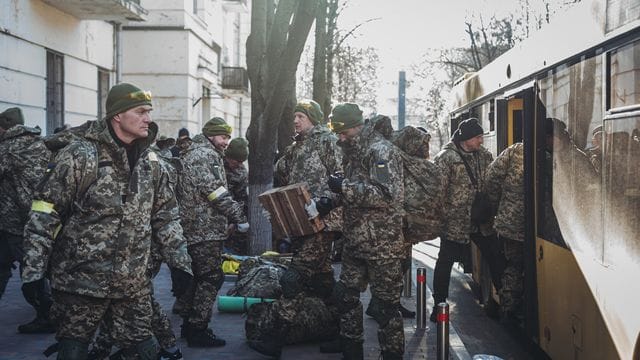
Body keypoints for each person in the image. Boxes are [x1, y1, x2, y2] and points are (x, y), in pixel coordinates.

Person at [21, 83, 193, 359]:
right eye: (141, 112)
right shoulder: (80, 156)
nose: (148, 118)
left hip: (131, 283)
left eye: (148, 111)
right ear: (117, 115)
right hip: (81, 283)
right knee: (73, 351)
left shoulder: (152, 162)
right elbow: (45, 212)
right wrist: (33, 270)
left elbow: (166, 216)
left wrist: (180, 263)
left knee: (144, 352)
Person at [328, 104, 405, 360]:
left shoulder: (381, 151)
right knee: (345, 299)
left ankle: (392, 355)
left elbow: (386, 195)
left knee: (385, 309)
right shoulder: (353, 150)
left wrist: (344, 187)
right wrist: (331, 199)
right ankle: (351, 353)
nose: (340, 138)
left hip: (383, 245)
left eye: (342, 132)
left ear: (355, 126)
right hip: (355, 241)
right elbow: (355, 192)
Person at [174, 116, 248, 347]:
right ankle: (198, 328)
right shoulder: (204, 155)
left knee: (198, 277)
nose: (226, 142)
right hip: (202, 228)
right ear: (211, 135)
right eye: (223, 137)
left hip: (200, 226)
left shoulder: (201, 152)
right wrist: (239, 217)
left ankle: (190, 325)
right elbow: (214, 192)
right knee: (211, 278)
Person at [432, 118, 505, 322]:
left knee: (495, 257)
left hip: (481, 220)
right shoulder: (446, 158)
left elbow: (493, 179)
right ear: (466, 139)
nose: (482, 141)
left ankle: (506, 302)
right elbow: (437, 191)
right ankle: (438, 306)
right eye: (478, 137)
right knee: (445, 262)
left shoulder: (483, 155)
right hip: (455, 222)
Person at [273, 100, 343, 300]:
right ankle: (330, 321)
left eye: (300, 116)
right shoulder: (297, 146)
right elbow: (284, 174)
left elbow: (343, 178)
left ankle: (285, 323)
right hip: (303, 220)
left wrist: (324, 202)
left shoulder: (327, 141)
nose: (295, 120)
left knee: (294, 276)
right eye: (294, 116)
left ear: (312, 118)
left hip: (324, 221)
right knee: (321, 277)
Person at [0, 107, 56, 334]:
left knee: (31, 270)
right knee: (35, 264)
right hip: (41, 213)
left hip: (16, 221)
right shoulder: (40, 143)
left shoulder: (8, 148)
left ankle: (48, 313)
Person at [484, 142, 525, 324]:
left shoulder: (515, 149)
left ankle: (508, 307)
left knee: (513, 265)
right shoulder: (554, 154)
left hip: (508, 221)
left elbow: (492, 176)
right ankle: (509, 309)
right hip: (519, 225)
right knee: (515, 265)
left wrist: (497, 204)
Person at [224, 137, 249, 255]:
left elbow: (241, 198)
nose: (239, 164)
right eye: (237, 161)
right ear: (229, 156)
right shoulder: (216, 163)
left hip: (231, 215)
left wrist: (234, 222)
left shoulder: (241, 172)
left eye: (242, 161)